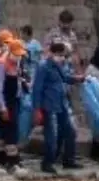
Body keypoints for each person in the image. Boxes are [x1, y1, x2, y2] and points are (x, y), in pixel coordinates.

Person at [32, 41, 86, 173]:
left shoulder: (58, 66)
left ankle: (68, 160)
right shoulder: (43, 67)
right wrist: (37, 109)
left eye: (63, 55)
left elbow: (65, 78)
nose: (61, 58)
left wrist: (77, 79)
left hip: (61, 104)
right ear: (51, 53)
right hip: (49, 106)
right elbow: (37, 89)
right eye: (59, 55)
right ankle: (47, 163)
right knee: (52, 136)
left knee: (70, 132)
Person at [0, 36, 28, 168]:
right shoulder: (2, 64)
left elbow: (18, 79)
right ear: (10, 52)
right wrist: (2, 107)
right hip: (5, 101)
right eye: (16, 55)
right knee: (10, 130)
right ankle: (12, 160)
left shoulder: (16, 63)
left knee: (4, 130)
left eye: (20, 55)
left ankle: (1, 157)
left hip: (15, 99)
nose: (19, 57)